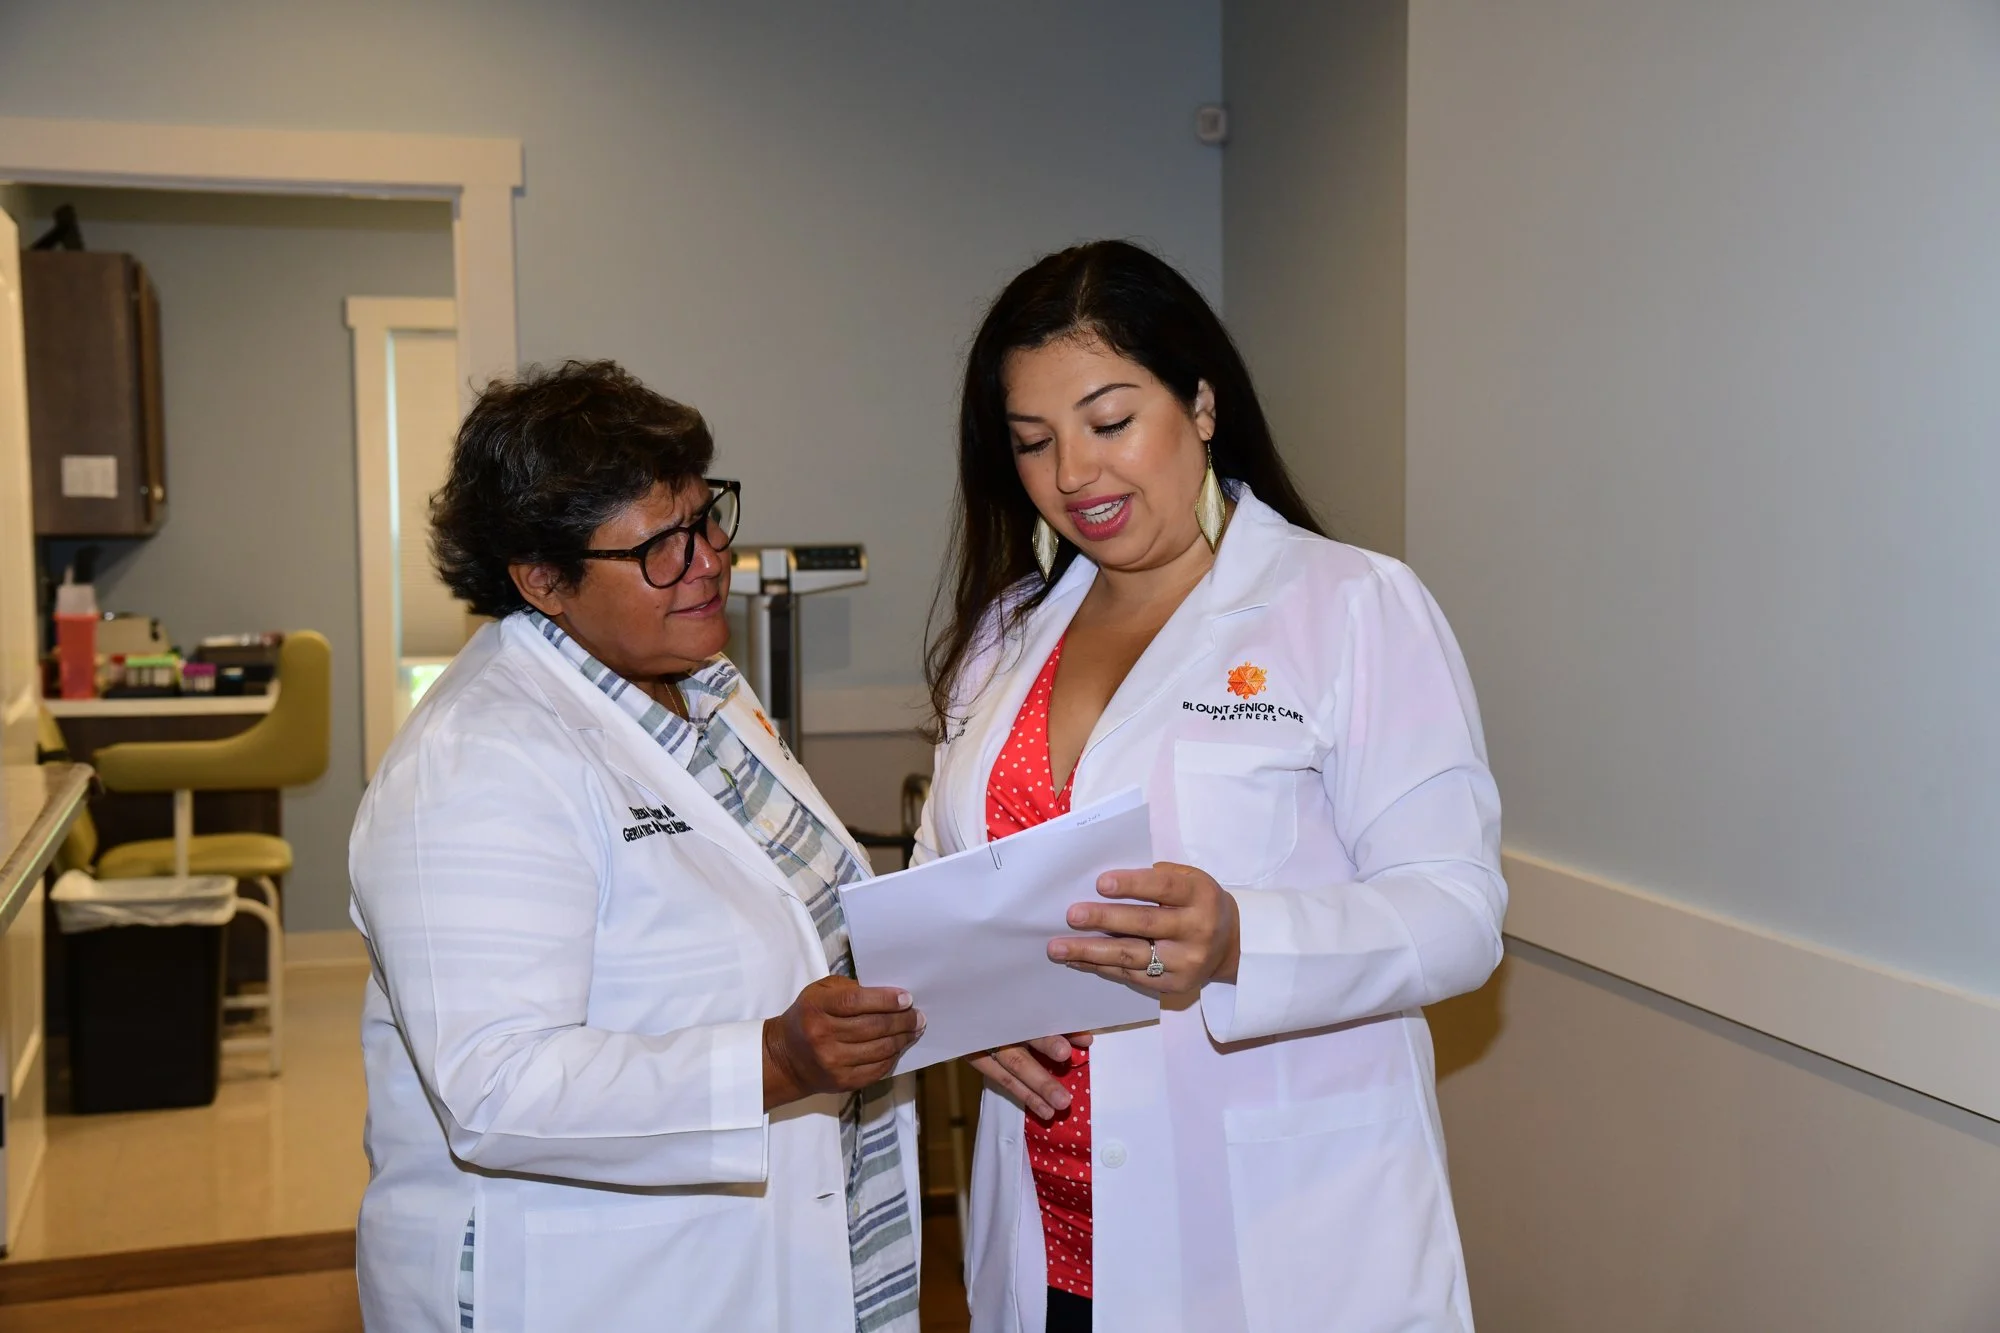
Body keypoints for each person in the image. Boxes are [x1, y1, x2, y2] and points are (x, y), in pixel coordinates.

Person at [915, 241, 1506, 1333]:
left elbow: (1459, 916)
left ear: (1199, 402)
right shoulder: (1004, 638)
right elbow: (942, 893)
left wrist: (1239, 938)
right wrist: (965, 1012)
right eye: (1033, 442)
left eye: (1109, 421)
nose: (1075, 476)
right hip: (1046, 1227)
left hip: (1272, 1234)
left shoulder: (1348, 606)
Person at [349, 361, 924, 1333]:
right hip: (602, 1285)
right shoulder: (475, 761)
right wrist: (775, 1061)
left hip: (777, 1245)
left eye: (706, 518)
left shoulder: (704, 689)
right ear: (543, 580)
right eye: (659, 545)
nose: (706, 560)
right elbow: (497, 1088)